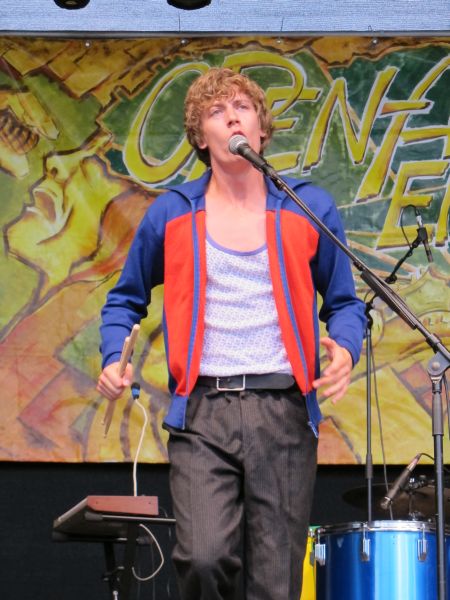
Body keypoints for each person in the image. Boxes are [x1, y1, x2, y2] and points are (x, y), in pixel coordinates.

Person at [97, 67, 366, 600]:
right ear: (201, 137)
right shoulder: (172, 213)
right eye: (216, 112)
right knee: (203, 558)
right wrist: (112, 357)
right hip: (202, 413)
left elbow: (344, 303)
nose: (232, 117)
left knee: (276, 579)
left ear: (261, 129)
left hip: (284, 410)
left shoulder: (306, 206)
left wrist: (346, 349)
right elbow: (125, 299)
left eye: (243, 107)